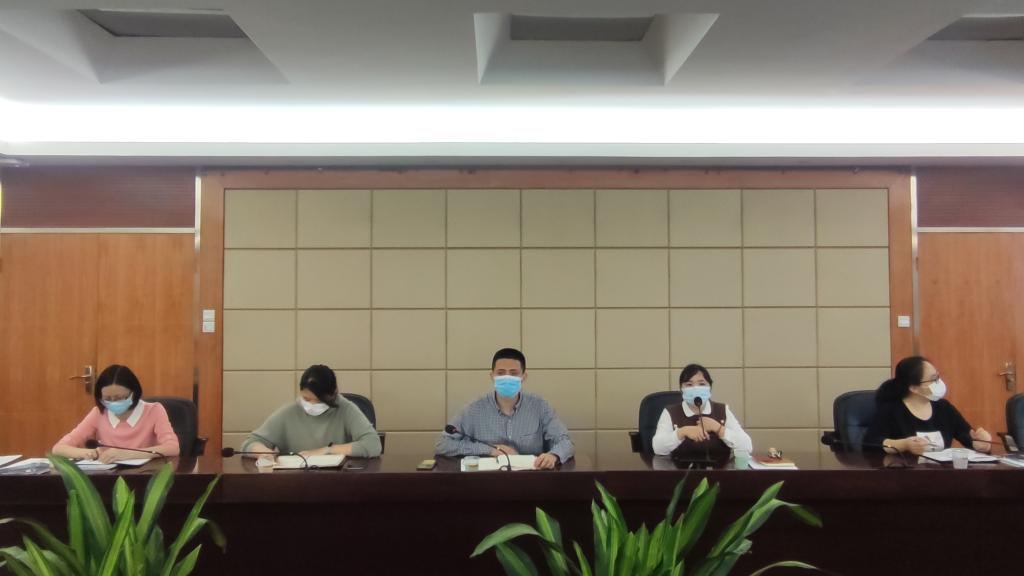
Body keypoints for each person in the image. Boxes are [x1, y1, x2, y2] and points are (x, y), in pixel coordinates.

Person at [435, 348, 573, 469]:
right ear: (492, 376)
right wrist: (490, 450)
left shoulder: (540, 406)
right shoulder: (474, 409)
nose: (507, 377)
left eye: (513, 373)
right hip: (486, 481)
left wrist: (554, 455)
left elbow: (565, 442)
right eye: (501, 373)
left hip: (531, 480)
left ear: (523, 377)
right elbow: (443, 444)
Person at [242, 365, 382, 461]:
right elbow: (250, 443)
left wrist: (327, 450)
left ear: (333, 394)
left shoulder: (346, 409)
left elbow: (373, 444)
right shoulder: (289, 412)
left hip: (339, 482)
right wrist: (264, 453)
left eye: (320, 400)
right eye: (307, 399)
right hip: (295, 483)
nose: (312, 405)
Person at [864, 356, 991, 455]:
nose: (939, 383)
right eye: (933, 379)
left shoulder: (944, 407)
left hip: (942, 474)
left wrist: (980, 444)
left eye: (938, 377)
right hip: (904, 475)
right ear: (914, 388)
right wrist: (904, 444)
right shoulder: (891, 409)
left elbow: (966, 435)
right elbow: (871, 443)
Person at [52, 364, 180, 462]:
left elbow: (173, 448)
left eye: (119, 398)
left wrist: (128, 454)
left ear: (133, 392)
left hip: (145, 475)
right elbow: (58, 448)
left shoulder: (154, 410)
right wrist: (87, 453)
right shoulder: (98, 413)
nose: (113, 402)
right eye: (107, 399)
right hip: (109, 476)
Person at [652, 364, 752, 458]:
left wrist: (718, 428)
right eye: (689, 384)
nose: (696, 388)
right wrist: (682, 432)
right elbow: (657, 448)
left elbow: (747, 446)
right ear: (681, 388)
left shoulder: (722, 410)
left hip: (719, 469)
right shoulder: (670, 412)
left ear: (710, 387)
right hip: (679, 469)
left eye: (701, 384)